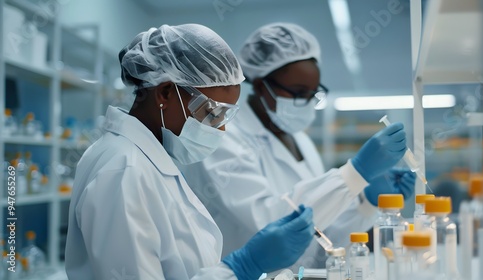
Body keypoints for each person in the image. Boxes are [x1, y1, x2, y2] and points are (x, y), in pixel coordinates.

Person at [65, 24, 315, 280]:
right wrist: (242, 266)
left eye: (226, 116)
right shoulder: (123, 171)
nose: (222, 128)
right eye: (212, 113)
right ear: (165, 92)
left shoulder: (150, 159)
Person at [178, 22, 416, 268]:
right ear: (261, 85)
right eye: (298, 92)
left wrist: (366, 203)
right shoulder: (223, 137)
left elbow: (321, 236)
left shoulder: (300, 139)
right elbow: (272, 222)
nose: (306, 102)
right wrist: (354, 174)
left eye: (312, 93)